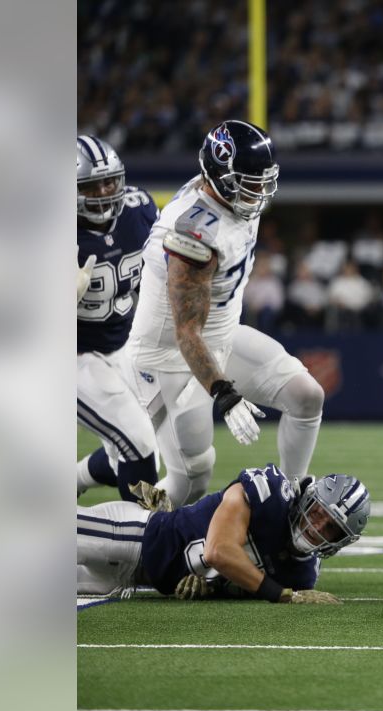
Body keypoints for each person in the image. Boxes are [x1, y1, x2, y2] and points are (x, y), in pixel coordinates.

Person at [128, 120, 327, 508]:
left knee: (306, 396)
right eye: (247, 182)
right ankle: (121, 543)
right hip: (170, 357)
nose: (258, 192)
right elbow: (187, 332)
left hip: (220, 336)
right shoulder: (194, 234)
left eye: (262, 181)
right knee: (191, 478)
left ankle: (286, 505)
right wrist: (225, 393)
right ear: (217, 176)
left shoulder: (228, 196)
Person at [77, 464, 368, 603]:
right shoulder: (270, 492)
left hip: (129, 580)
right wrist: (281, 596)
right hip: (136, 537)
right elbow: (217, 551)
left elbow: (232, 583)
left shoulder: (301, 575)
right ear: (308, 498)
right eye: (318, 513)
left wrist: (208, 587)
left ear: (338, 543)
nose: (316, 526)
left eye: (330, 528)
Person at [75, 134, 163, 507]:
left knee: (142, 449)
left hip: (122, 344)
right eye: (92, 185)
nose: (106, 192)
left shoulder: (139, 208)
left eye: (110, 181)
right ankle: (141, 547)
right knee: (137, 440)